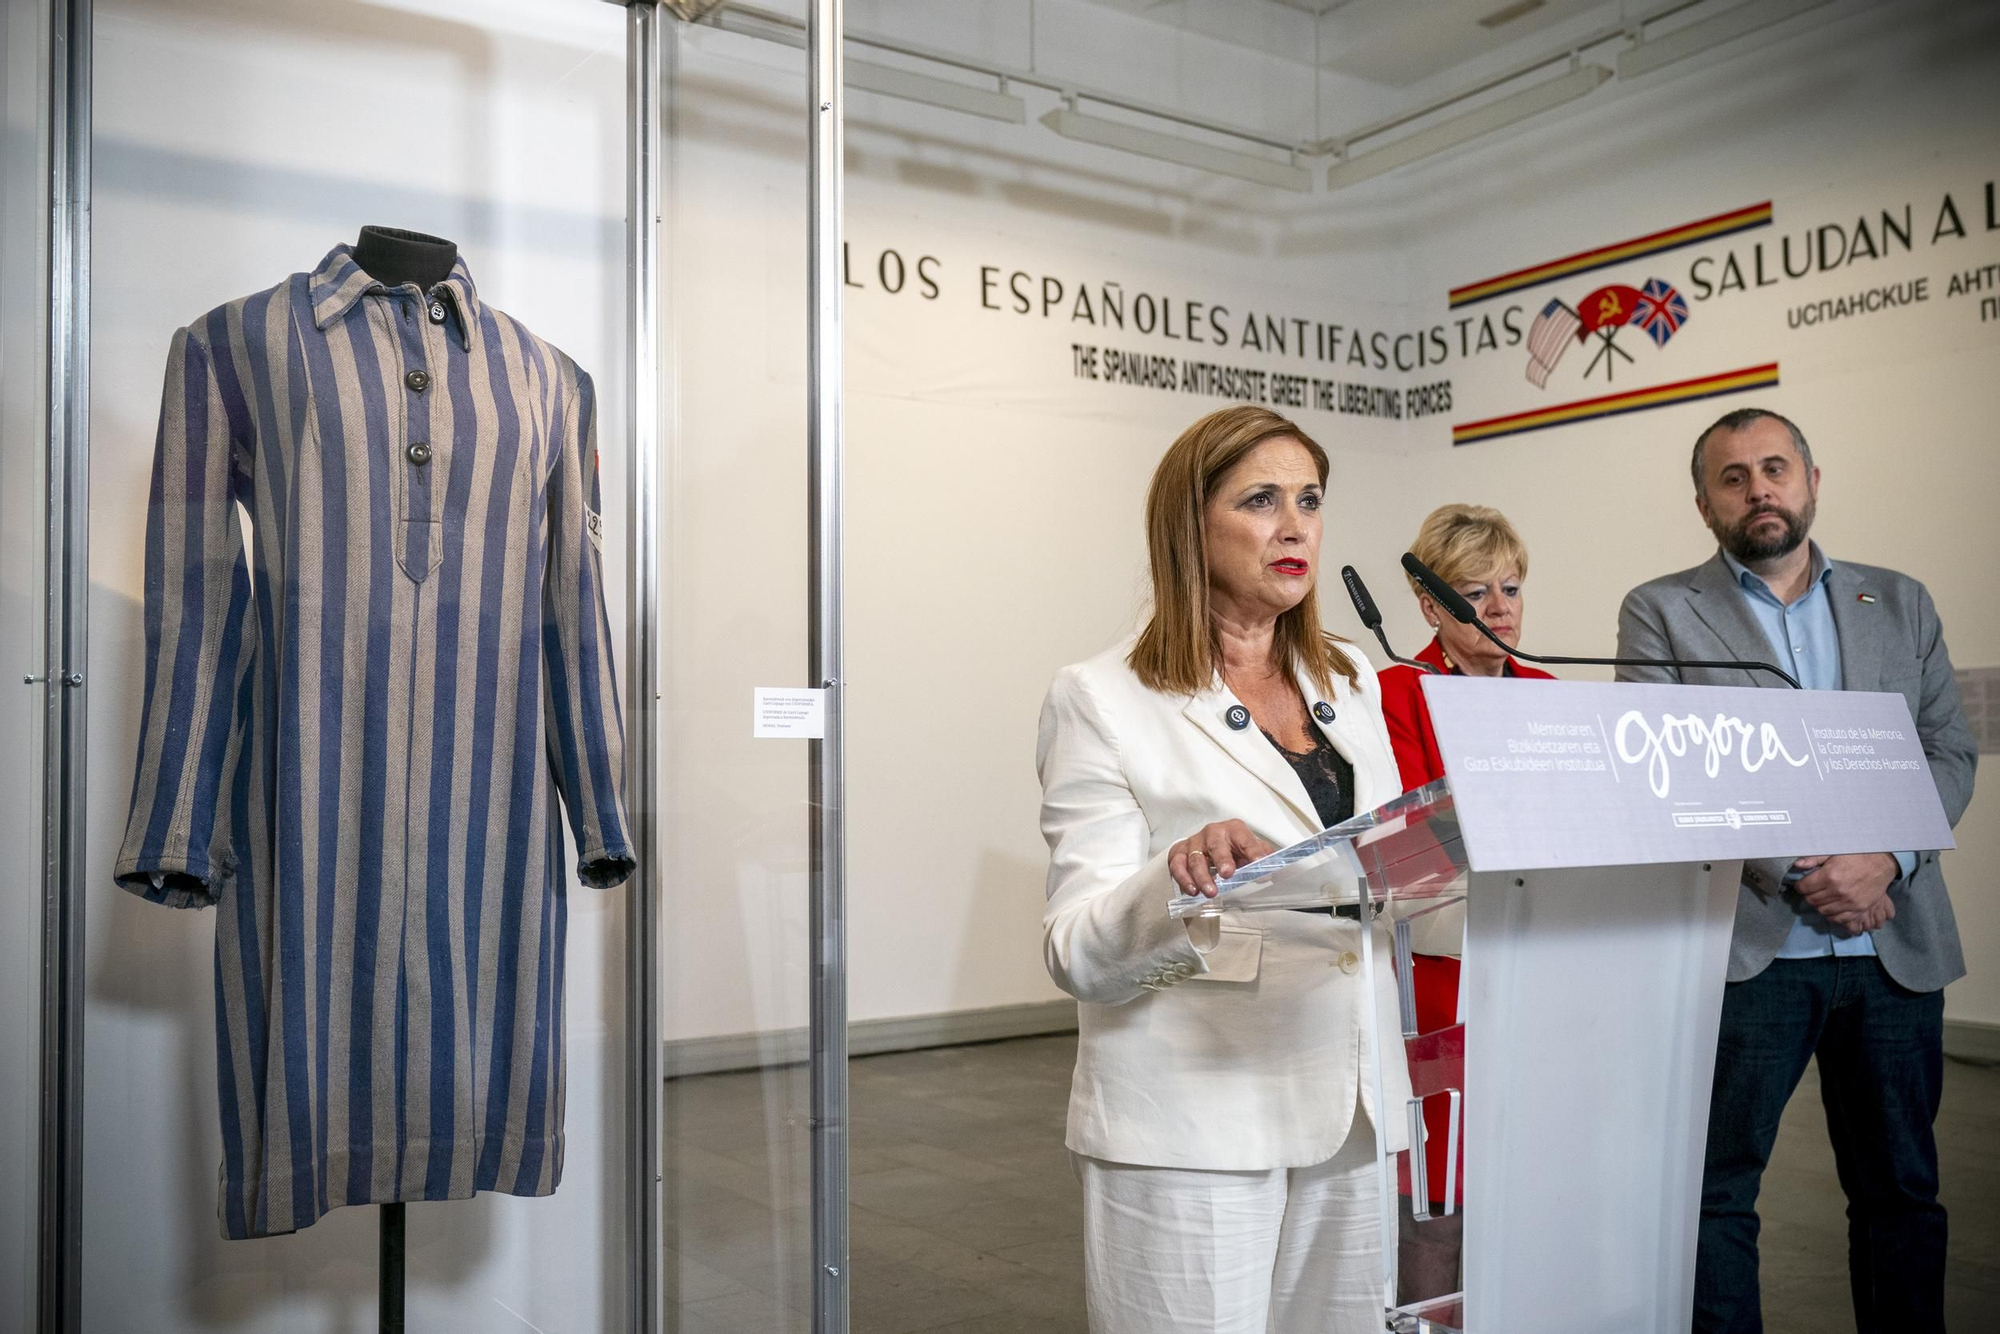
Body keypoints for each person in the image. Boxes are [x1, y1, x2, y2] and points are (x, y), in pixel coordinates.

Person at [1036, 404, 1412, 1334]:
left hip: (1358, 1107)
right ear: (1188, 525)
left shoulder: (1351, 678)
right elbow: (1076, 953)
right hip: (1193, 1119)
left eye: (1310, 500)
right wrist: (1177, 879)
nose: (1295, 526)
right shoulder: (1102, 697)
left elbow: (1385, 882)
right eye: (1260, 500)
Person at [1615, 406, 1976, 1334]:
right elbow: (1671, 769)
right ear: (1704, 503)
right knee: (1717, 1194)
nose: (1758, 489)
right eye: (1732, 477)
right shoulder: (1660, 610)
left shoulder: (1900, 601)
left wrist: (1883, 861)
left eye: (1775, 467)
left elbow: (1947, 754)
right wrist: (1802, 867)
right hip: (1753, 950)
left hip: (1894, 946)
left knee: (1901, 1192)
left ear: (1813, 480)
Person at [1374, 503, 1553, 1302]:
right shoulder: (1397, 692)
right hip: (1444, 967)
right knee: (1442, 1191)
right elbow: (1415, 830)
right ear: (1427, 605)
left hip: (1543, 960)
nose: (1500, 606)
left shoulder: (1548, 691)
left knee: (1528, 1175)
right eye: (1474, 591)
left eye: (1510, 587)